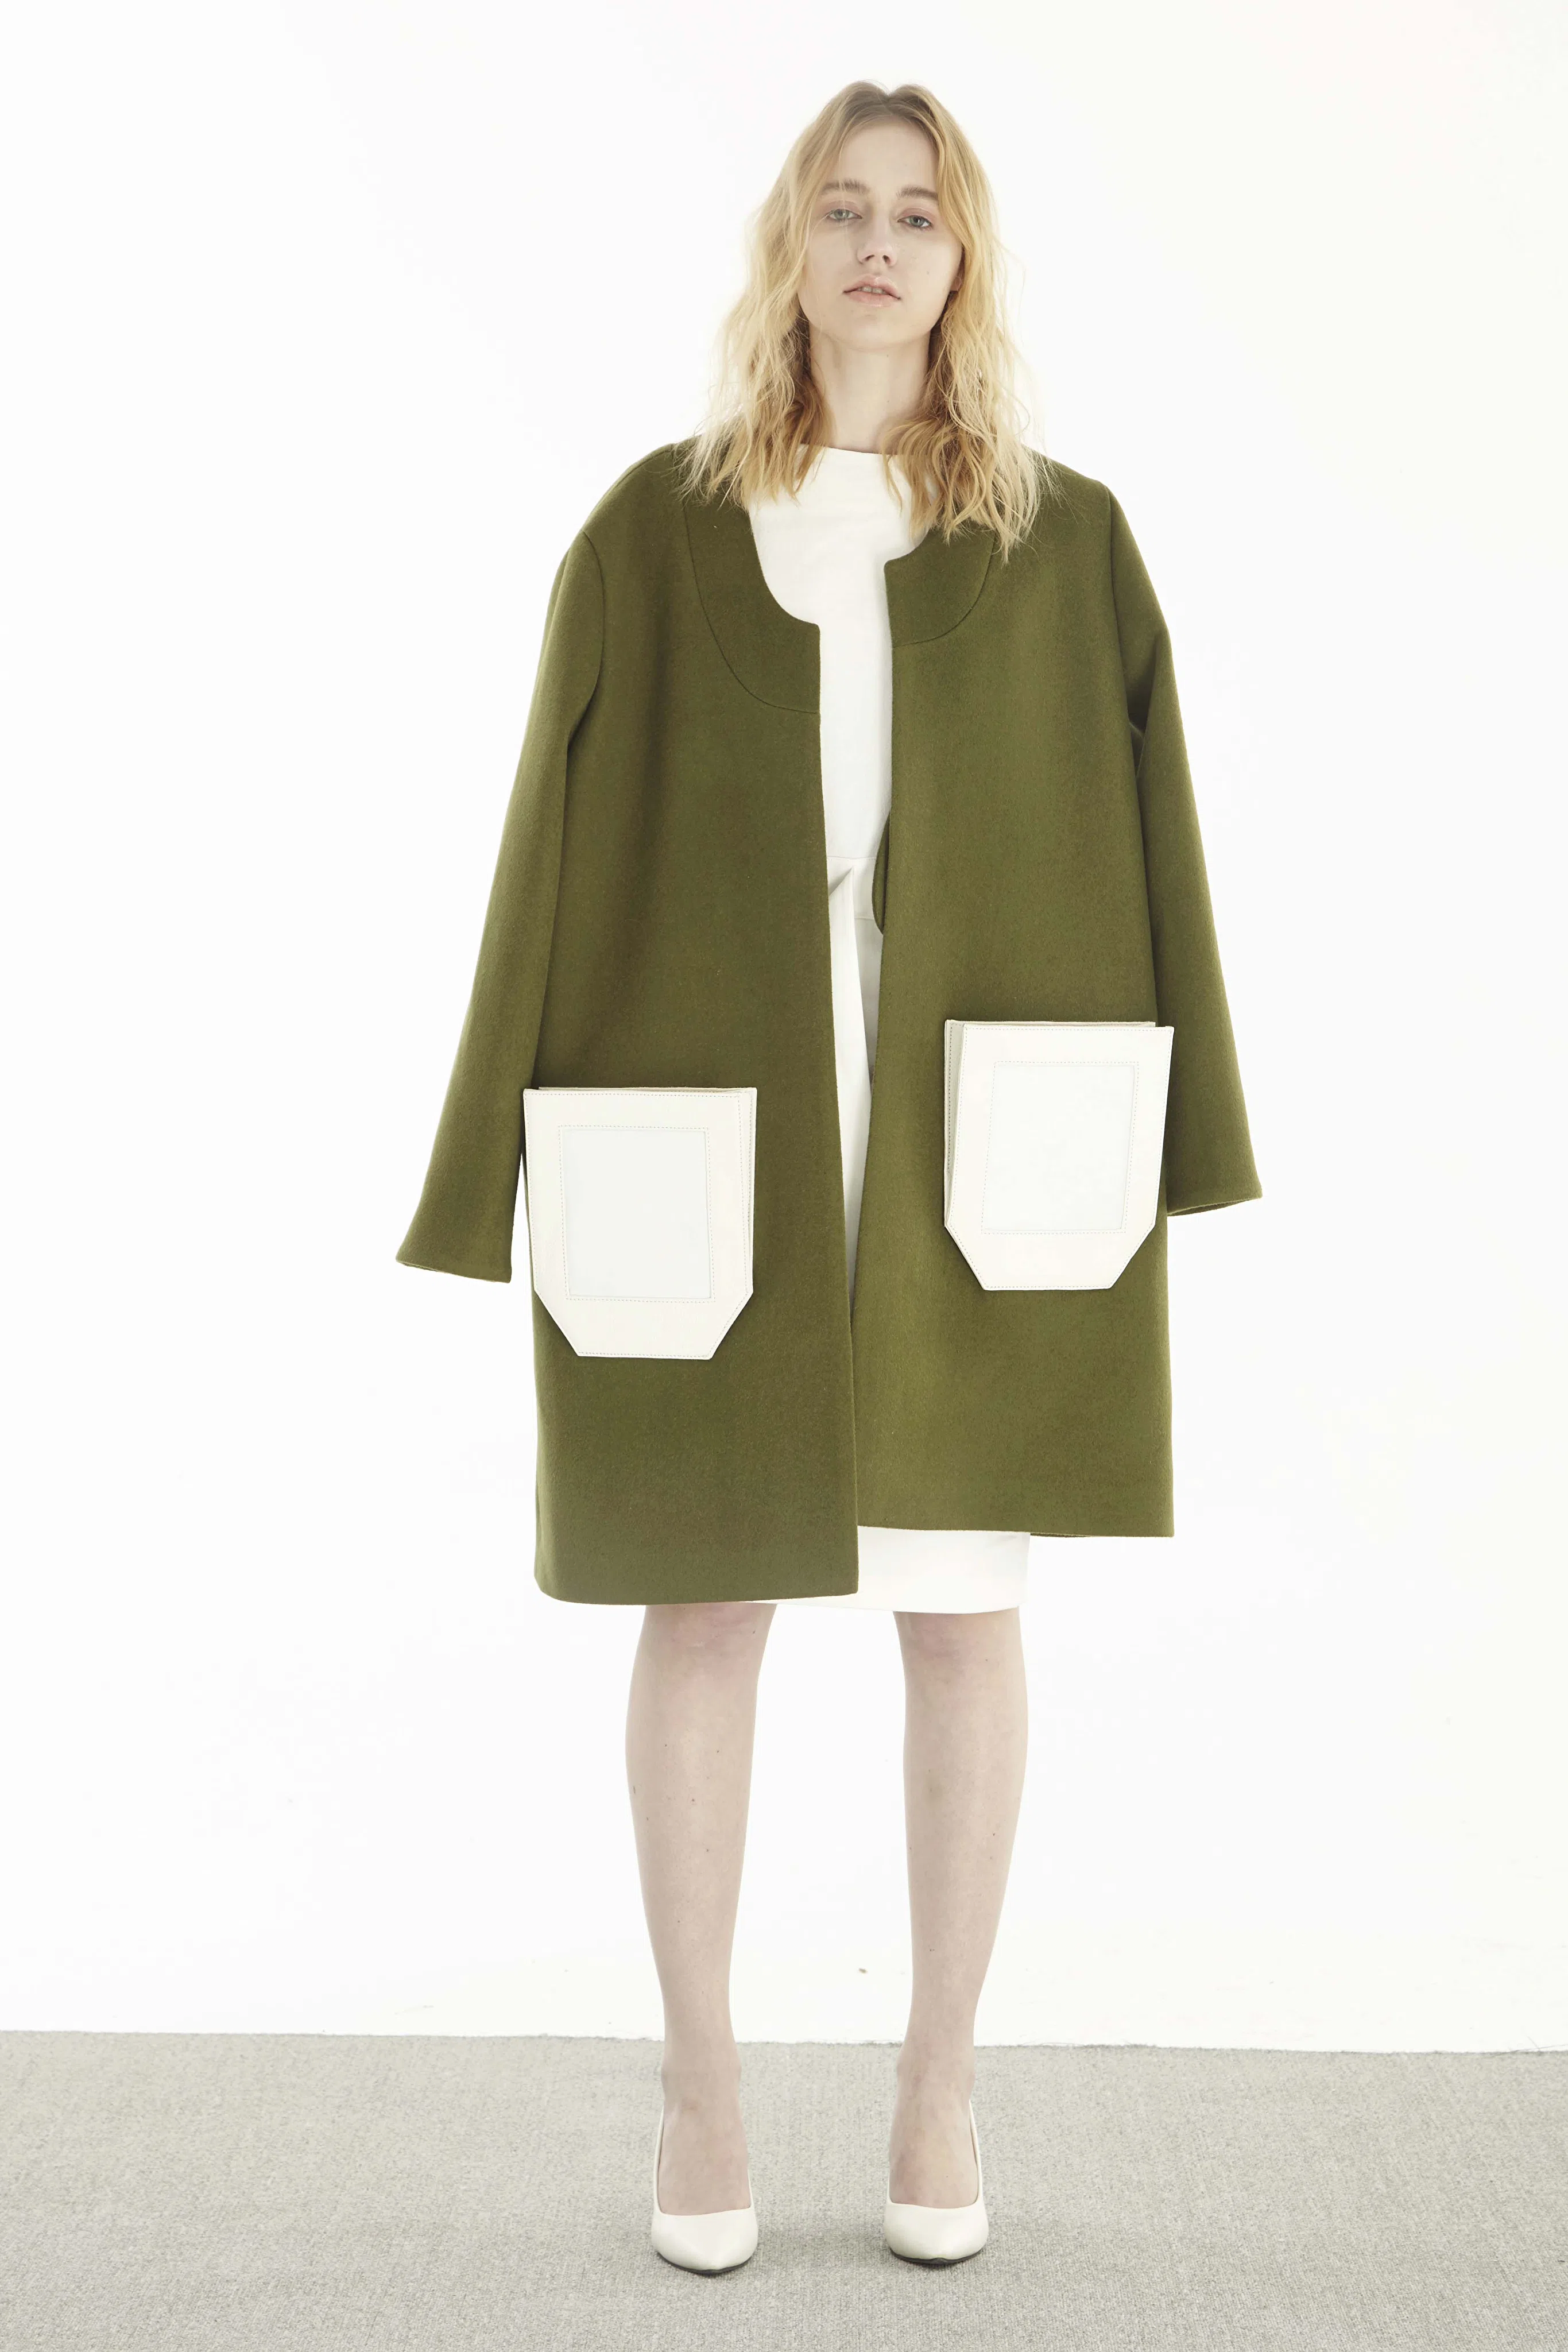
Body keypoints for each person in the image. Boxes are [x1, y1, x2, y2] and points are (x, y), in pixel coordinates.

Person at [396, 80, 1261, 2273]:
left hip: (978, 1137)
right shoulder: (656, 530)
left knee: (963, 1610)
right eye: (845, 209)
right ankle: (701, 2085)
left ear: (965, 263)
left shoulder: (1067, 544)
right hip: (717, 1119)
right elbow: (539, 852)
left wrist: (1200, 1139)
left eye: (920, 216)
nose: (880, 246)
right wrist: (477, 1170)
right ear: (791, 246)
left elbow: (1162, 840)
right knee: (705, 1596)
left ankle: (938, 2081)